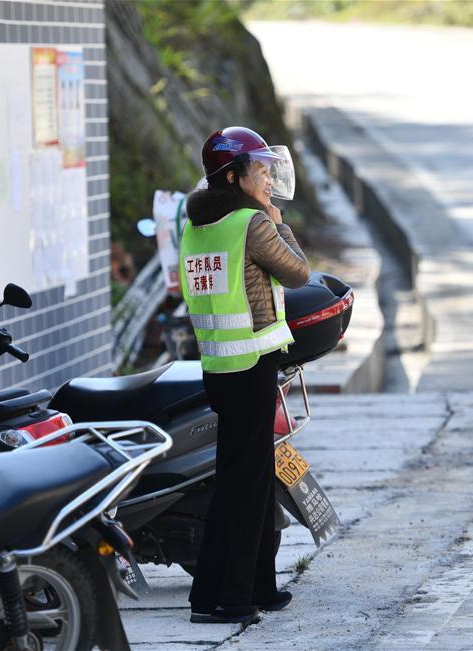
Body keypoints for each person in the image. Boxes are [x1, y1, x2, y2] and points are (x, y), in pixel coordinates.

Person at [180, 126, 310, 624]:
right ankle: (222, 599)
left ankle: (258, 586)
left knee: (249, 480)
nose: (268, 181)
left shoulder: (197, 226)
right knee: (242, 485)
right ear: (233, 176)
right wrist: (279, 222)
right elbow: (298, 273)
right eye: (260, 172)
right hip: (251, 364)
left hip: (221, 366)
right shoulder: (251, 223)